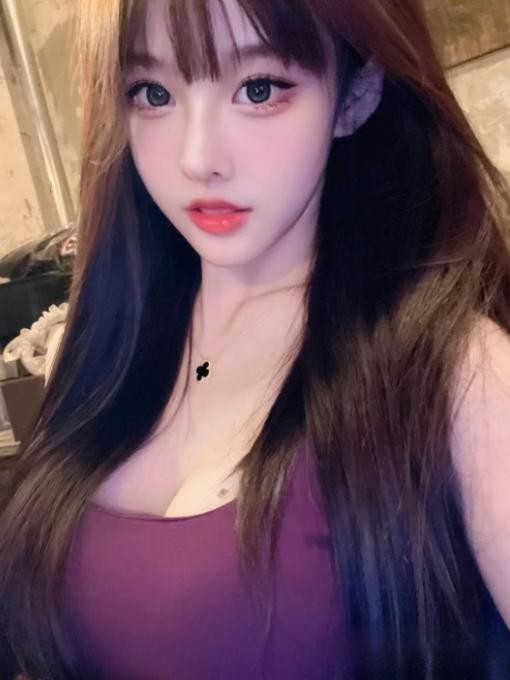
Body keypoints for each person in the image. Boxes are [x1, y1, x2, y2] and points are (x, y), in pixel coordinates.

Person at [1, 0, 510, 677]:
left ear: (355, 94)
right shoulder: (99, 348)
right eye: (153, 93)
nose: (197, 158)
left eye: (260, 88)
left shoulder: (458, 375)